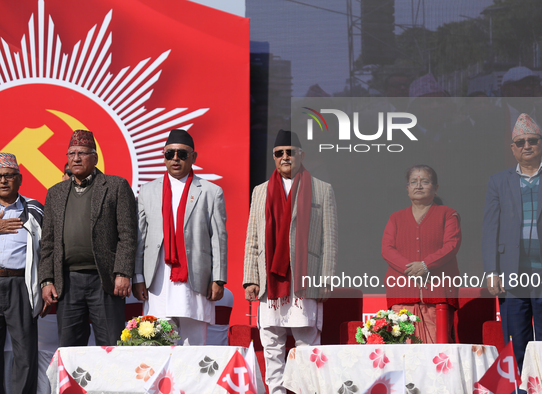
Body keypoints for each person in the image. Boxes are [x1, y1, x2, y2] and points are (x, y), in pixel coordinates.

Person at [482, 113, 542, 370]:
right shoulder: (498, 181)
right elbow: (490, 229)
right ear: (513, 148)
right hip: (511, 275)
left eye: (533, 140)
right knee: (516, 342)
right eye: (521, 142)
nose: (527, 146)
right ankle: (520, 389)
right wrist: (492, 271)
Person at [243, 129, 337, 394]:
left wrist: (327, 278)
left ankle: (307, 390)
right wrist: (250, 278)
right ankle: (277, 391)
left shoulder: (322, 189)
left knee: (306, 340)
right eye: (279, 153)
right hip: (269, 280)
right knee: (271, 341)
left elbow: (329, 240)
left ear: (301, 155)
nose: (285, 157)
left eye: (290, 152)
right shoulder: (260, 191)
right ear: (274, 157)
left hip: (306, 276)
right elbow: (252, 237)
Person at [39, 129, 137, 347]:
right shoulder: (55, 192)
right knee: (69, 348)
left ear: (95, 157)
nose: (76, 158)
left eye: (82, 153)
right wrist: (46, 281)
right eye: (71, 153)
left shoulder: (115, 186)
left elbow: (128, 235)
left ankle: (111, 383)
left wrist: (122, 272)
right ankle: (74, 383)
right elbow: (47, 243)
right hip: (68, 281)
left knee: (111, 345)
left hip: (104, 280)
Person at [133, 129, 227, 345]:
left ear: (193, 157)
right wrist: (138, 277)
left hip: (195, 280)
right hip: (157, 281)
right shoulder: (147, 191)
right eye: (170, 154)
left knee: (194, 346)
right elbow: (141, 238)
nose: (175, 159)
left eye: (182, 154)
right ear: (164, 155)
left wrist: (218, 279)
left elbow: (219, 239)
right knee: (158, 344)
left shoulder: (211, 192)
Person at [382, 165, 461, 343]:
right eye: (413, 182)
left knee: (437, 349)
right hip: (402, 292)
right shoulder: (396, 218)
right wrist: (410, 268)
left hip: (437, 292)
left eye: (425, 181)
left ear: (435, 188)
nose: (418, 186)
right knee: (402, 348)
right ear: (407, 188)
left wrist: (425, 265)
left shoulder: (448, 214)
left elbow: (452, 244)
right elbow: (387, 249)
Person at [0, 153, 43, 394]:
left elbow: (48, 250)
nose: (3, 181)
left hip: (21, 284)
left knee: (25, 352)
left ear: (20, 179)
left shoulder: (34, 208)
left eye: (9, 176)